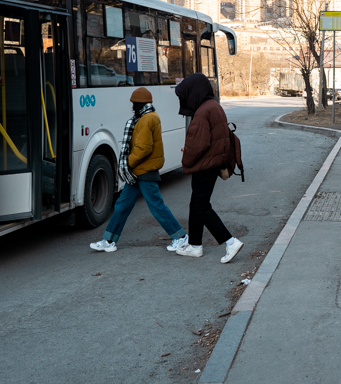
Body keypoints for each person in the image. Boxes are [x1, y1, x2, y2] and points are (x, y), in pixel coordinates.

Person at [89, 87, 188, 253]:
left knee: (156, 206)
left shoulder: (147, 119)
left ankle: (180, 237)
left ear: (138, 104)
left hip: (144, 171)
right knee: (122, 206)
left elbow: (143, 148)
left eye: (133, 103)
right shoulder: (146, 117)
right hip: (137, 172)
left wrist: (127, 163)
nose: (132, 107)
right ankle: (109, 240)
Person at [172, 73, 244, 263]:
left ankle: (230, 242)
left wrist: (186, 161)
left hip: (204, 165)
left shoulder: (202, 112)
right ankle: (195, 245)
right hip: (213, 164)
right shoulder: (214, 106)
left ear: (194, 91)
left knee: (201, 206)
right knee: (196, 204)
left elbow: (197, 145)